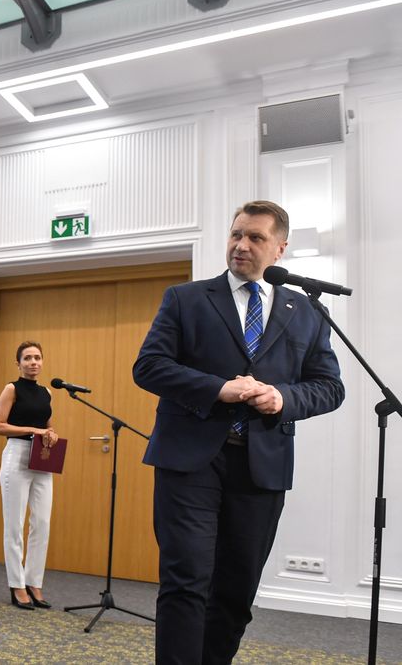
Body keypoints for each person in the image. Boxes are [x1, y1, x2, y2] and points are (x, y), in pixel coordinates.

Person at [133, 200, 344, 664]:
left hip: (260, 468)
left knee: (235, 589)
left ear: (280, 248)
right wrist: (218, 389)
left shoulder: (306, 312)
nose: (241, 245)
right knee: (186, 582)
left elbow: (330, 388)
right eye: (236, 235)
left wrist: (283, 398)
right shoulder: (186, 299)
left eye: (255, 238)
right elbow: (148, 367)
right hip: (190, 462)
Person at [0, 341, 59, 610]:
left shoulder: (47, 392)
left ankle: (34, 582)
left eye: (37, 357)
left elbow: (47, 426)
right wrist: (36, 430)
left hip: (41, 458)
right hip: (16, 456)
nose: (33, 362)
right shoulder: (12, 389)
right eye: (27, 358)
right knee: (15, 524)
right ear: (17, 363)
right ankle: (16, 584)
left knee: (41, 523)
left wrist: (50, 434)